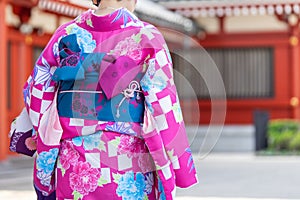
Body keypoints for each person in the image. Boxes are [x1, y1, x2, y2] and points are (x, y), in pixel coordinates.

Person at [22, 0, 198, 199]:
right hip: (128, 160)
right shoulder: (146, 36)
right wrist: (181, 165)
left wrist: (41, 135)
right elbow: (165, 106)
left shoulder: (65, 33)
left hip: (73, 160)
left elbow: (37, 89)